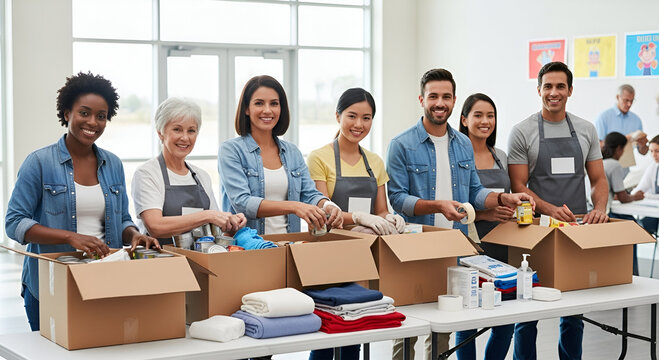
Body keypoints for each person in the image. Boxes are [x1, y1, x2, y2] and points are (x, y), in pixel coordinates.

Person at [386, 68, 534, 360]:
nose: (440, 103)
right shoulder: (401, 144)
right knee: (409, 328)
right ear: (421, 99)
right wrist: (438, 205)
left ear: (454, 101)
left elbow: (474, 192)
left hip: (456, 249)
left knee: (445, 328)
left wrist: (502, 197)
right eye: (433, 96)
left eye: (446, 96)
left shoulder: (462, 143)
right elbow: (397, 199)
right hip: (415, 247)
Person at [4, 72, 158, 331]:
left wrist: (133, 234)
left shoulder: (113, 164)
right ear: (67, 114)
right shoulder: (39, 163)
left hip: (102, 281)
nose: (93, 122)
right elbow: (14, 223)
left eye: (101, 116)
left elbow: (121, 219)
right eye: (84, 113)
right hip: (51, 285)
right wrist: (70, 237)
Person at [508, 61, 609, 360]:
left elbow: (599, 179)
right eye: (548, 86)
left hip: (574, 232)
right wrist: (550, 210)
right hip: (533, 232)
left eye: (560, 86)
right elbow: (518, 184)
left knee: (573, 313)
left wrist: (600, 208)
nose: (554, 92)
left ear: (570, 90)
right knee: (527, 311)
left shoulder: (586, 130)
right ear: (538, 90)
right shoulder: (522, 132)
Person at [306, 88, 405, 360]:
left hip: (364, 257)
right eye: (352, 116)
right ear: (338, 116)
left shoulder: (375, 162)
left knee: (356, 331)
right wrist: (360, 217)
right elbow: (322, 208)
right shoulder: (319, 157)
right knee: (328, 330)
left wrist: (390, 219)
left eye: (367, 118)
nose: (358, 125)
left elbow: (382, 210)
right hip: (329, 255)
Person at [219, 75, 343, 236]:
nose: (267, 110)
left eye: (274, 104)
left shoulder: (292, 152)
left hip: (290, 244)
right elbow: (242, 203)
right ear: (246, 109)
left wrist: (328, 206)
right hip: (249, 247)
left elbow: (309, 194)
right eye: (259, 103)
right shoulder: (231, 150)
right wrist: (294, 206)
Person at [131, 97, 246, 244]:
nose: (185, 138)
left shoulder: (202, 176)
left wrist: (232, 222)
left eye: (191, 131)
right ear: (160, 132)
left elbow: (217, 226)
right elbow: (155, 226)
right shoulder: (147, 174)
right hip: (161, 261)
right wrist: (207, 215)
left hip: (200, 259)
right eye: (177, 129)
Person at [457, 93, 515, 360]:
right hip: (470, 244)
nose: (485, 121)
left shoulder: (500, 155)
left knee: (506, 319)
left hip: (504, 245)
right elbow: (455, 205)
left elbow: (509, 195)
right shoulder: (457, 156)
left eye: (490, 116)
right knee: (467, 318)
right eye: (478, 115)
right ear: (464, 119)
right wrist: (485, 215)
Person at [602, 131, 644, 276]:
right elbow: (623, 197)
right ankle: (632, 274)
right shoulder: (614, 165)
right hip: (607, 213)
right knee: (634, 227)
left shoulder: (599, 162)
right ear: (619, 149)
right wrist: (636, 197)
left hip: (596, 210)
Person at [595, 84, 648, 157]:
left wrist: (643, 145)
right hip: (607, 164)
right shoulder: (603, 117)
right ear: (617, 97)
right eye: (626, 100)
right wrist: (624, 139)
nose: (629, 104)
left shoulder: (636, 120)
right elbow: (597, 146)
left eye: (632, 101)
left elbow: (643, 152)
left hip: (627, 166)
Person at [632, 135, 659, 234]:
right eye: (651, 151)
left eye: (657, 151)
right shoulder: (654, 167)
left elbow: (644, 194)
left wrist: (645, 195)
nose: (653, 155)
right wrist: (633, 195)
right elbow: (640, 188)